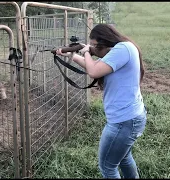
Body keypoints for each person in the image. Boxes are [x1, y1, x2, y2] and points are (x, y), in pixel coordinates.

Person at [56, 24, 147, 179]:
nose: (93, 48)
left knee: (107, 167)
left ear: (104, 42)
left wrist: (86, 52)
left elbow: (93, 71)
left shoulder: (122, 49)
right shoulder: (123, 49)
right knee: (124, 158)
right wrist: (72, 55)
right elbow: (97, 66)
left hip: (123, 121)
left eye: (94, 45)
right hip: (130, 118)